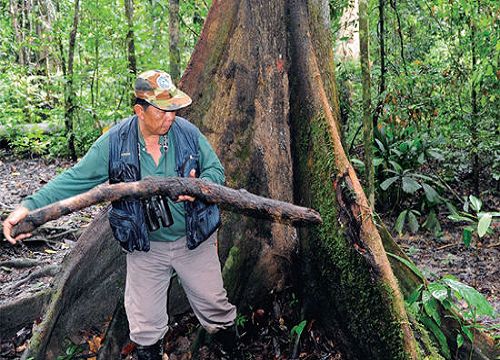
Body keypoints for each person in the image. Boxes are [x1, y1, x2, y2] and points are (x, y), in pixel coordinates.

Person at [3, 70, 239, 359]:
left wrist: (200, 187)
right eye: (163, 111)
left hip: (194, 240)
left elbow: (216, 171)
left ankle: (231, 349)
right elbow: (75, 179)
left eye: (173, 109)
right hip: (145, 247)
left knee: (216, 307)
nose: (171, 117)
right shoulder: (115, 143)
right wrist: (29, 207)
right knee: (145, 326)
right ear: (140, 110)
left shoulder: (187, 134)